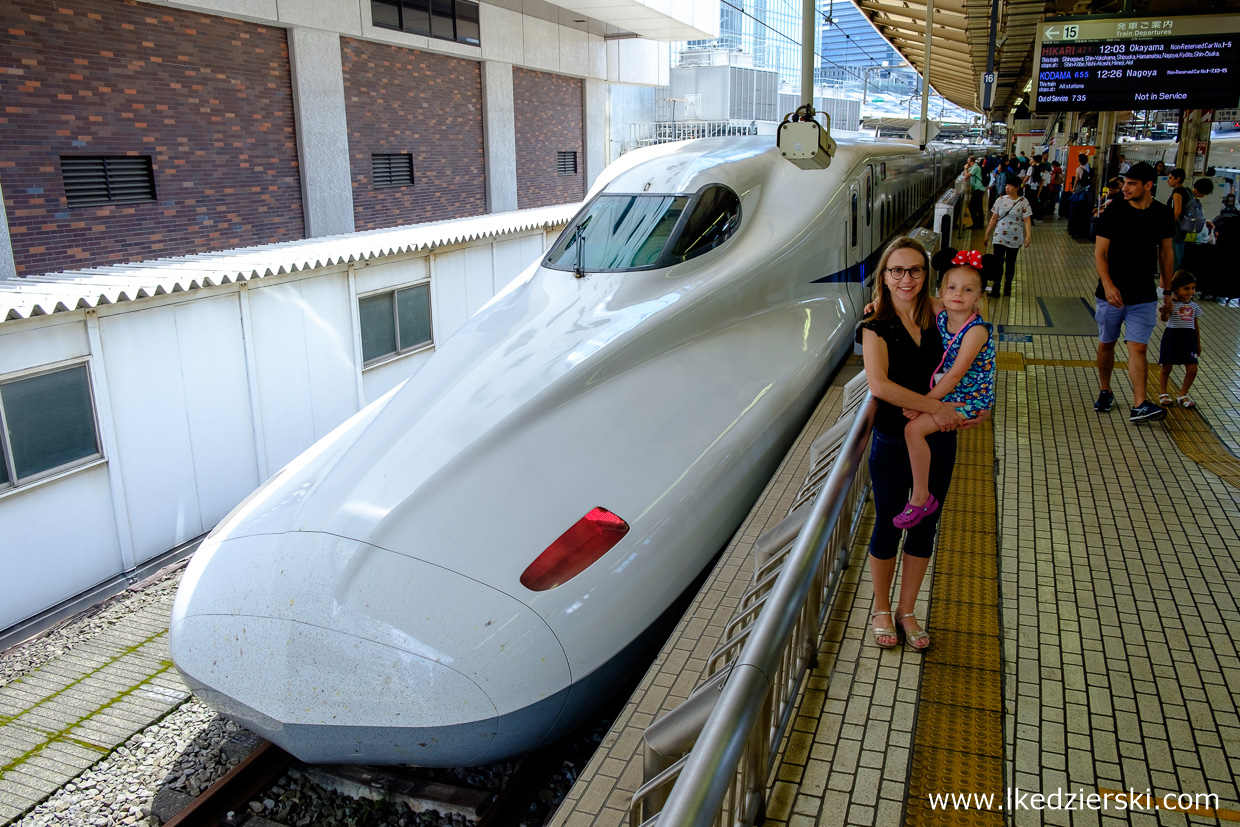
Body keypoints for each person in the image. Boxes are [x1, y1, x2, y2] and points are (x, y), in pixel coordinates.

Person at [856, 238, 985, 652]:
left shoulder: (937, 313)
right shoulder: (874, 326)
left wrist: (967, 409)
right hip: (894, 440)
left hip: (938, 438)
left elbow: (969, 317)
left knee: (925, 524)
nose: (906, 278)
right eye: (897, 271)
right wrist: (938, 407)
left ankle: (907, 610)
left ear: (924, 275)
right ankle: (880, 607)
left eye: (914, 270)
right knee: (889, 524)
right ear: (884, 277)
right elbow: (880, 386)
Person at [894, 249, 996, 531]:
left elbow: (953, 377)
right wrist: (879, 301)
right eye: (951, 287)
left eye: (967, 290)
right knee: (914, 430)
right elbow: (916, 297)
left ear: (979, 297)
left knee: (912, 429)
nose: (958, 294)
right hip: (950, 394)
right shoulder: (942, 314)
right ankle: (920, 493)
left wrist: (923, 405)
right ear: (941, 291)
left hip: (969, 399)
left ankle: (921, 497)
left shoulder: (976, 331)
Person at [1093, 161, 1174, 422]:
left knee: (1138, 347)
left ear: (1148, 186)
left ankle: (1139, 403)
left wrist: (1168, 291)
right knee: (1107, 343)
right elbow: (1100, 253)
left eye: (1131, 184)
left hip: (1144, 295)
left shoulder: (1162, 213)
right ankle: (1105, 390)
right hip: (1111, 294)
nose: (1124, 188)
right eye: (1124, 183)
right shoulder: (1114, 211)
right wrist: (1108, 285)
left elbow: (1166, 252)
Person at [1156, 270, 1203, 409]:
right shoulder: (1172, 304)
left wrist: (1198, 344)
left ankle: (1183, 394)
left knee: (1192, 369)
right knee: (1166, 367)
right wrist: (1165, 311)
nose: (1191, 291)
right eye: (1186, 288)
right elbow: (1164, 319)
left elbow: (1196, 326)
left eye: (1193, 288)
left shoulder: (1194, 306)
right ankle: (1163, 393)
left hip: (1189, 340)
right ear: (1176, 289)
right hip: (1172, 337)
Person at [984, 175, 1032, 297]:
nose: (1007, 188)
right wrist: (987, 234)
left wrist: (1028, 236)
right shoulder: (1000, 200)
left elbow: (1027, 220)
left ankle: (1008, 287)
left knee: (1011, 262)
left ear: (1017, 187)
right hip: (999, 235)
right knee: (998, 262)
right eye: (1006, 185)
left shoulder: (1023, 202)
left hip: (1015, 238)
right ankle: (996, 287)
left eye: (1010, 186)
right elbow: (994, 218)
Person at [1167, 168, 1193, 269]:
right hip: (1185, 223)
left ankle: (1174, 273)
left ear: (1177, 179)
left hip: (1177, 224)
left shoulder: (1177, 191)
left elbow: (1177, 210)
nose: (1168, 180)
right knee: (1179, 248)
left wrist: (1169, 223)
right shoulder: (1187, 190)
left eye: (1170, 178)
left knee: (1174, 249)